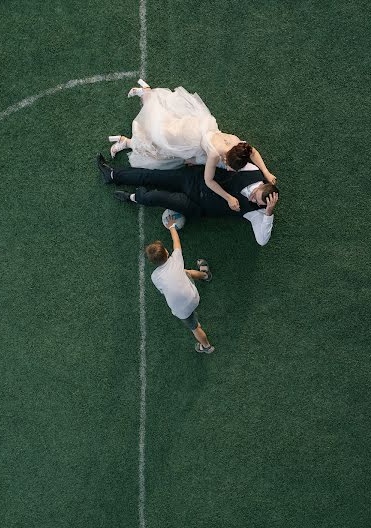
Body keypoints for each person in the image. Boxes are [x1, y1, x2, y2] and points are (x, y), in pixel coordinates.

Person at [108, 80, 276, 212]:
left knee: (164, 131)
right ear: (226, 159)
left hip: (199, 128)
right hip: (185, 139)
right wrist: (228, 197)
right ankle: (143, 104)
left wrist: (266, 172)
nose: (232, 171)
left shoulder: (238, 144)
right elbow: (208, 181)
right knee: (159, 144)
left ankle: (133, 130)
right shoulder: (214, 155)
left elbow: (252, 152)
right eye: (232, 168)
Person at [97, 154, 279, 247]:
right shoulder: (252, 170)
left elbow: (262, 240)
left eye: (258, 203)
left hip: (195, 205)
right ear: (262, 184)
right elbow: (224, 160)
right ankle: (112, 175)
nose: (252, 199)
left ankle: (134, 197)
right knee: (152, 176)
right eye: (256, 194)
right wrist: (198, 160)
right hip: (193, 178)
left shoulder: (258, 212)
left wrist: (268, 213)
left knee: (155, 197)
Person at [146, 214, 215, 354]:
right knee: (186, 272)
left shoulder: (154, 277)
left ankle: (206, 347)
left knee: (195, 328)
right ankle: (205, 275)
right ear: (166, 252)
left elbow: (163, 290)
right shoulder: (175, 259)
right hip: (194, 296)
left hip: (182, 311)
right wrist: (172, 226)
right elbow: (176, 242)